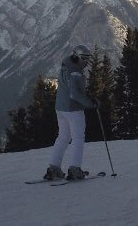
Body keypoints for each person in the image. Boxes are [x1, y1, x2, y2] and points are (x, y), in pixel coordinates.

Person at [44, 44, 97, 180]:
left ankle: (53, 168)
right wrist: (90, 103)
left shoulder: (65, 67)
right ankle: (75, 169)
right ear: (77, 57)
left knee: (63, 137)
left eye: (87, 58)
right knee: (78, 138)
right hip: (73, 109)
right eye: (84, 58)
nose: (86, 61)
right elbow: (75, 94)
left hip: (60, 108)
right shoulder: (75, 73)